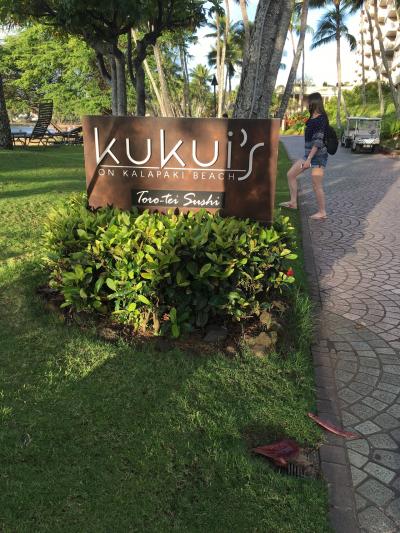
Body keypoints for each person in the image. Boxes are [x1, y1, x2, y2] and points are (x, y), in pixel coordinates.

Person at [280, 92, 328, 220]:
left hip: (317, 158)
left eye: (307, 102)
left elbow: (318, 141)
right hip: (308, 156)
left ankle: (322, 212)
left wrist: (309, 160)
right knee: (291, 174)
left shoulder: (321, 119)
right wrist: (308, 158)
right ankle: (293, 202)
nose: (305, 104)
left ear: (313, 103)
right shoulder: (312, 118)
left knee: (316, 184)